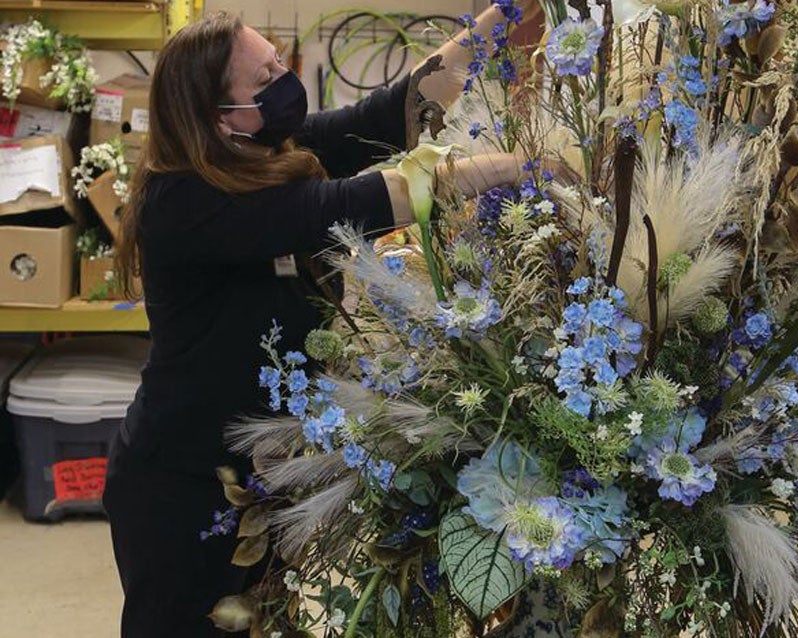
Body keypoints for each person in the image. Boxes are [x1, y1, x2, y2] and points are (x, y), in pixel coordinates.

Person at [103, 7, 540, 636]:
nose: (284, 81)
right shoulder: (183, 200)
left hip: (258, 476)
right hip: (182, 485)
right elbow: (356, 202)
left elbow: (393, 108)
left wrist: (510, 13)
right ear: (216, 114)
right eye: (265, 77)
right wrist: (511, 168)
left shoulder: (260, 151)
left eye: (280, 62)